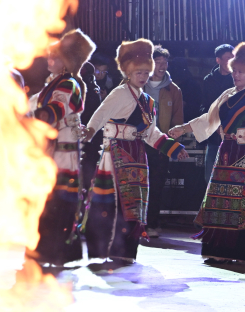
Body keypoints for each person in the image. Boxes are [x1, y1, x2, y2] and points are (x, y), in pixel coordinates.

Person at [169, 41, 245, 265]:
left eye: (241, 72)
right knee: (220, 203)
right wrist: (183, 128)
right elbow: (208, 119)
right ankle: (219, 250)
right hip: (227, 153)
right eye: (234, 70)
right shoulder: (227, 95)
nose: (235, 75)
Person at [83, 39, 188, 264]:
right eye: (138, 72)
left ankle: (126, 251)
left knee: (135, 205)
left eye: (145, 72)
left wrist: (173, 148)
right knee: (114, 203)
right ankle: (108, 249)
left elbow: (151, 133)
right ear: (128, 72)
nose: (142, 76)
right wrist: (89, 132)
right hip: (116, 154)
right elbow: (100, 115)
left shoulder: (147, 101)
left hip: (138, 156)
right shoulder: (120, 93)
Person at [28, 29, 96, 266]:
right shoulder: (54, 83)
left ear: (66, 61)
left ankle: (55, 250)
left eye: (55, 57)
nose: (50, 60)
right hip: (55, 150)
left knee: (59, 200)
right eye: (49, 55)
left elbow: (56, 108)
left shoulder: (68, 84)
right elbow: (34, 104)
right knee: (52, 199)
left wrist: (38, 116)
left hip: (63, 152)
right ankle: (52, 250)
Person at [144, 46, 184, 238]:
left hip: (161, 144)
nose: (161, 66)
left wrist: (171, 144)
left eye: (164, 62)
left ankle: (151, 223)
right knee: (135, 183)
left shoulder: (173, 89)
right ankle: (134, 224)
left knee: (156, 185)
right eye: (157, 62)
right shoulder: (137, 84)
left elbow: (178, 120)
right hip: (138, 143)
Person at [201, 44, 236, 181]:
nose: (231, 61)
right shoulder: (208, 80)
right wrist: (213, 123)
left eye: (233, 58)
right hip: (214, 138)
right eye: (227, 58)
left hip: (233, 137)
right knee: (210, 179)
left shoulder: (238, 80)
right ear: (218, 60)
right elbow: (204, 106)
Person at [80, 61, 103, 192]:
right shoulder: (93, 87)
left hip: (88, 134)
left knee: (87, 167)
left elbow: (92, 113)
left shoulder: (91, 88)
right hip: (87, 133)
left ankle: (86, 194)